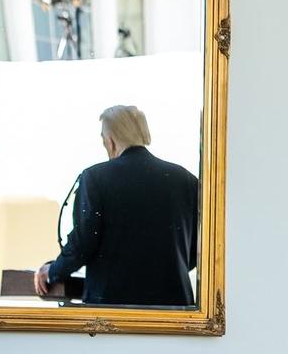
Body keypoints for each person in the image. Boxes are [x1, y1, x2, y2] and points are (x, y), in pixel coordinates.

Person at [35, 105, 200, 307]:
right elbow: (197, 250)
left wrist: (52, 271)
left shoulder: (95, 177)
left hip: (113, 309)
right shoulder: (187, 180)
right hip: (174, 307)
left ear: (110, 140)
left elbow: (84, 242)